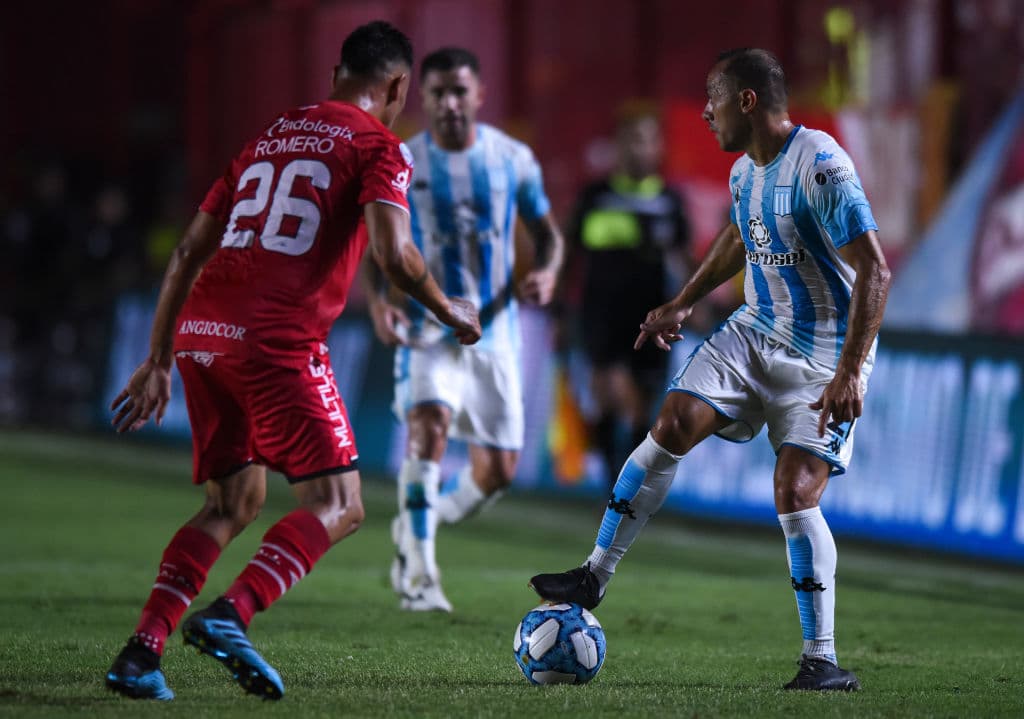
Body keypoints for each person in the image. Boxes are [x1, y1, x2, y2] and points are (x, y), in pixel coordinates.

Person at [104, 21, 480, 702]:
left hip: (201, 332)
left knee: (232, 499)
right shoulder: (378, 144)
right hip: (274, 340)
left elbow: (188, 250)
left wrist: (158, 357)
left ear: (336, 75)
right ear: (397, 86)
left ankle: (141, 651)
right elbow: (395, 255)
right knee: (340, 502)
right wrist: (448, 306)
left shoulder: (266, 139)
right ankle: (230, 614)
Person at [530, 48, 891, 692]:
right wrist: (683, 301)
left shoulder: (822, 165)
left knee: (795, 492)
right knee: (670, 420)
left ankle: (821, 658)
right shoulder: (744, 172)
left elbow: (875, 268)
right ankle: (594, 574)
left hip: (821, 357)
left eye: (713, 98)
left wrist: (852, 372)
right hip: (754, 334)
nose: (704, 112)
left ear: (746, 101)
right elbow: (736, 237)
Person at [363, 47, 564, 612]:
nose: (449, 103)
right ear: (422, 99)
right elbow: (377, 246)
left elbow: (546, 234)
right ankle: (422, 575)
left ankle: (417, 524)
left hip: (496, 336)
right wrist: (379, 302)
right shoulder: (401, 161)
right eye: (438, 93)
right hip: (429, 326)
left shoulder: (513, 159)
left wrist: (547, 272)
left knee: (497, 472)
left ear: (479, 95)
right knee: (429, 428)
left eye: (459, 91)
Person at [564, 105, 691, 488]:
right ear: (619, 146)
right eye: (634, 140)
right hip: (601, 313)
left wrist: (691, 302)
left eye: (650, 140)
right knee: (611, 391)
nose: (642, 148)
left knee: (640, 407)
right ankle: (612, 487)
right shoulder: (595, 197)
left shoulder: (670, 201)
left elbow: (686, 261)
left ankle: (628, 485)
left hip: (652, 316)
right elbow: (569, 255)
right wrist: (556, 307)